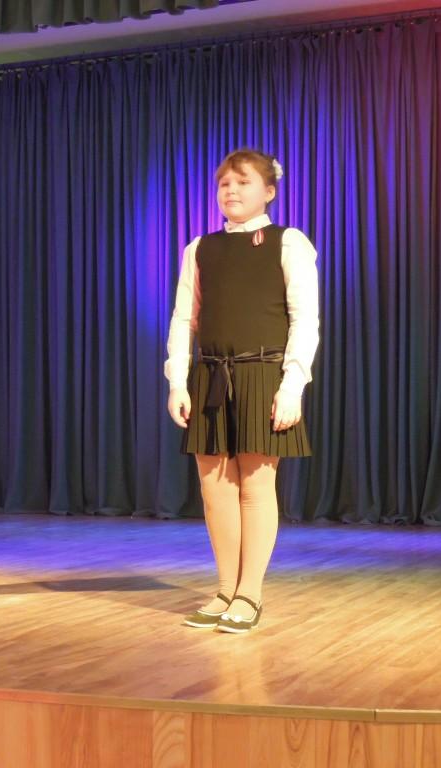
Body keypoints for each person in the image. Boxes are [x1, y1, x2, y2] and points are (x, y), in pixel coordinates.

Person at [165, 148, 319, 633]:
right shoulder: (200, 248)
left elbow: (305, 320)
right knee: (214, 490)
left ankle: (249, 592)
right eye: (224, 184)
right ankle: (225, 589)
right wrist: (177, 380)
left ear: (268, 191)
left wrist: (292, 385)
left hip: (262, 374)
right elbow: (184, 319)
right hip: (211, 375)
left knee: (255, 486)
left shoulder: (288, 242)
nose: (230, 191)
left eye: (242, 182)